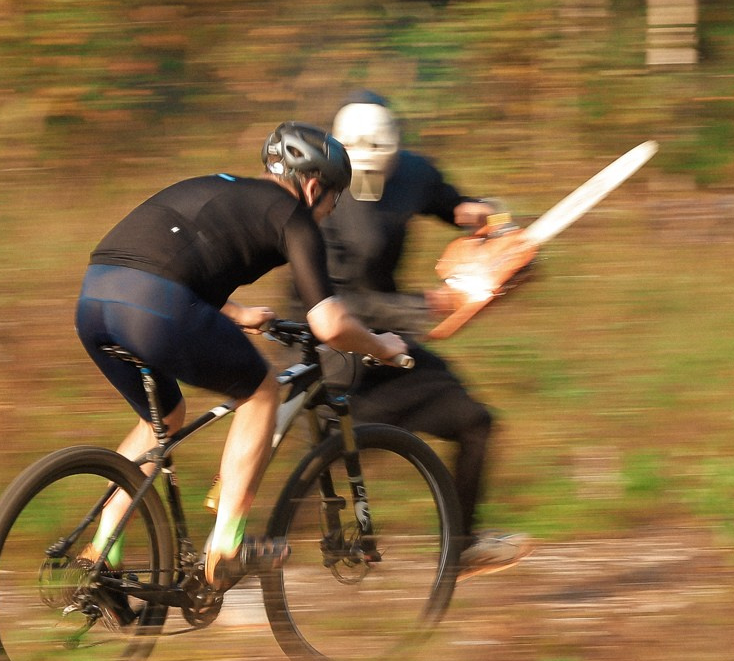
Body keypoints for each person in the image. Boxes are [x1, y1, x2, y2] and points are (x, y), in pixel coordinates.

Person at [79, 123, 409, 591]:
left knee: (165, 418)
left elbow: (170, 262)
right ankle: (227, 546)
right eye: (333, 200)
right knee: (261, 391)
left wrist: (236, 312)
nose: (328, 213)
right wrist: (382, 345)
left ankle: (102, 552)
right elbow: (330, 325)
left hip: (95, 299)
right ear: (314, 185)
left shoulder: (219, 187)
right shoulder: (293, 216)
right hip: (153, 307)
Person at [323, 92, 531, 577]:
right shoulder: (322, 198)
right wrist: (422, 305)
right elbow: (335, 303)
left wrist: (480, 216)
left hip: (389, 344)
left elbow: (451, 203)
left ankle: (461, 545)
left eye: (382, 167)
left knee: (475, 422)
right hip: (330, 351)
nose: (371, 179)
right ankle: (236, 542)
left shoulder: (413, 172)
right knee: (325, 460)